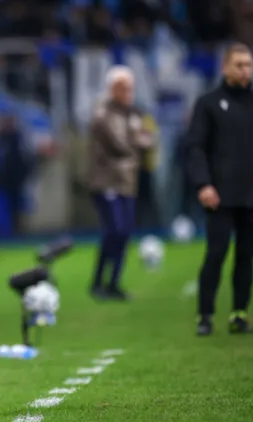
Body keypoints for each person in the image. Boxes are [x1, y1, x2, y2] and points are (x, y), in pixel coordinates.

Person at [187, 43, 253, 336]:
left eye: (249, 65)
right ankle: (205, 315)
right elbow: (195, 148)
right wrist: (203, 184)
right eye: (239, 65)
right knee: (216, 253)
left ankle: (239, 313)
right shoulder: (208, 104)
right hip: (219, 197)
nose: (245, 70)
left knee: (247, 256)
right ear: (225, 67)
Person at [86, 66, 154, 301]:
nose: (128, 92)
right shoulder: (103, 113)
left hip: (127, 181)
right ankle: (99, 282)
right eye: (123, 87)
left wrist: (144, 141)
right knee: (115, 230)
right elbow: (119, 144)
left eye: (130, 88)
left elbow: (147, 138)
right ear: (113, 89)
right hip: (107, 181)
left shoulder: (133, 113)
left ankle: (111, 283)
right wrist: (140, 142)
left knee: (122, 232)